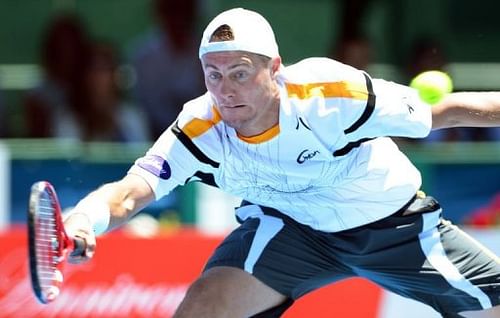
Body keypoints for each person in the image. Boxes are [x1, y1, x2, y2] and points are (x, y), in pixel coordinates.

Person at [64, 8, 500, 318]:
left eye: (239, 72)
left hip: (391, 227)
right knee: (203, 307)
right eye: (213, 75)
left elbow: (447, 110)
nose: (226, 89)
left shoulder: (332, 95)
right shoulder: (200, 126)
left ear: (274, 67)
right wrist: (86, 218)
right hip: (290, 231)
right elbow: (133, 190)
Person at [129, 0, 205, 139]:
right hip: (156, 138)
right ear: (161, 14)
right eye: (173, 11)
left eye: (185, 11)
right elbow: (150, 110)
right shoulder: (145, 56)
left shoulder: (208, 52)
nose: (180, 19)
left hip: (205, 136)